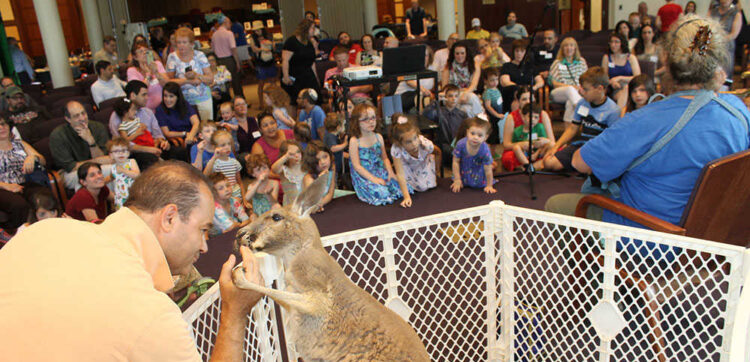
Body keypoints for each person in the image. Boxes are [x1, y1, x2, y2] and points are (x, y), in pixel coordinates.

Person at [0, 160, 265, 360]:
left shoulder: (45, 230)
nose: (205, 246)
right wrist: (235, 312)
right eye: (202, 230)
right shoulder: (150, 313)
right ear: (170, 217)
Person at [548, 15, 750, 234]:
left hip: (654, 236)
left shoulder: (646, 118)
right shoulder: (737, 109)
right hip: (715, 234)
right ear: (717, 62)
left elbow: (580, 163)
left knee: (557, 205)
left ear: (666, 61)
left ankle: (601, 269)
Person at [543, 66, 621, 172]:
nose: (581, 92)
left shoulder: (613, 110)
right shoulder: (582, 103)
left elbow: (613, 141)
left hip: (598, 149)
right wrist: (556, 146)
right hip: (581, 145)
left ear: (600, 89)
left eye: (585, 89)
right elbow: (572, 128)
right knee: (549, 163)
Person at [110, 80, 183, 165]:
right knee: (150, 159)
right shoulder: (117, 116)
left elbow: (157, 134)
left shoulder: (147, 112)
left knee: (178, 152)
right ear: (133, 95)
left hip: (152, 145)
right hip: (134, 152)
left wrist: (162, 141)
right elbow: (121, 143)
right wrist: (148, 149)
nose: (147, 98)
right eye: (144, 95)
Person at [348, 104, 408, 205]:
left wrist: (390, 172)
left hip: (379, 169)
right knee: (382, 193)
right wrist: (374, 179)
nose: (371, 122)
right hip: (364, 174)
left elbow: (384, 158)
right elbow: (357, 166)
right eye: (366, 119)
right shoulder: (354, 141)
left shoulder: (378, 137)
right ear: (356, 122)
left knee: (400, 186)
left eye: (373, 118)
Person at [51, 101, 114, 189]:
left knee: (118, 168)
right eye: (76, 116)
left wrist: (91, 142)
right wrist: (98, 161)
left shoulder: (98, 127)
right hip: (69, 173)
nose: (82, 118)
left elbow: (104, 157)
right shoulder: (58, 135)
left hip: (97, 167)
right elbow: (71, 167)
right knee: (109, 171)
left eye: (83, 113)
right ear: (68, 119)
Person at [0, 116, 47, 234]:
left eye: (3, 124)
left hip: (24, 183)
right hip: (2, 187)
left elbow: (43, 161)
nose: (1, 128)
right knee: (18, 205)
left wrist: (33, 157)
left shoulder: (20, 144)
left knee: (43, 197)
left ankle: (47, 230)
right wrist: (7, 186)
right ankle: (16, 235)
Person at [166, 27, 214, 121]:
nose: (181, 45)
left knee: (207, 128)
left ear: (191, 44)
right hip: (183, 102)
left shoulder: (199, 55)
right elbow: (169, 83)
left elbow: (210, 79)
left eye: (184, 42)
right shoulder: (172, 57)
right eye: (179, 42)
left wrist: (196, 75)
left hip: (203, 99)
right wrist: (187, 81)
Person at [390, 115, 436, 197]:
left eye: (415, 138)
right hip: (407, 167)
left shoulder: (426, 145)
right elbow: (400, 174)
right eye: (408, 142)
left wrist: (437, 170)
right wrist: (406, 197)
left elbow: (438, 152)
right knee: (399, 188)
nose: (414, 144)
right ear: (400, 143)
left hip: (423, 165)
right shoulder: (396, 148)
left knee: (423, 187)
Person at [501, 103, 554, 171]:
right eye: (530, 116)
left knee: (551, 145)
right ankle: (527, 165)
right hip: (525, 153)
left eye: (536, 117)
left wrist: (536, 153)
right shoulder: (517, 131)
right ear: (523, 117)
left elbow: (544, 143)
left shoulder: (540, 127)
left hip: (538, 152)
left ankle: (534, 166)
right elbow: (514, 145)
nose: (533, 120)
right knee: (516, 147)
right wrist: (522, 145)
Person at [451, 117, 496, 194]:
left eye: (480, 135)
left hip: (479, 176)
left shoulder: (485, 149)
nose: (475, 137)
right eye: (472, 133)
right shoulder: (461, 144)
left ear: (485, 137)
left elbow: (488, 169)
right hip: (463, 174)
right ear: (467, 132)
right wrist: (457, 179)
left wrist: (489, 185)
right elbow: (455, 161)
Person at [548, 37, 588, 123]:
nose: (568, 48)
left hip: (578, 92)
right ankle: (582, 111)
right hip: (559, 92)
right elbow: (554, 83)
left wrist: (579, 88)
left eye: (571, 45)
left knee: (570, 103)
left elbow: (587, 80)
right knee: (570, 89)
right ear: (562, 49)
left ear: (575, 48)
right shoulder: (557, 63)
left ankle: (569, 131)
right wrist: (572, 87)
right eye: (565, 46)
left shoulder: (581, 62)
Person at [500, 39, 545, 112]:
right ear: (513, 52)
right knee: (520, 99)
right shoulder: (507, 66)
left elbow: (540, 81)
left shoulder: (530, 66)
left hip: (529, 93)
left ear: (526, 53)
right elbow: (505, 82)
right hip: (514, 94)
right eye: (517, 51)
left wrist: (534, 87)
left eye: (522, 51)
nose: (519, 54)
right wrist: (520, 89)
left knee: (528, 98)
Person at [282, 19, 320, 104]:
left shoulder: (309, 43)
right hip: (295, 75)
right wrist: (286, 76)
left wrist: (316, 77)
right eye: (312, 28)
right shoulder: (291, 42)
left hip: (308, 74)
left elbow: (312, 62)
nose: (314, 30)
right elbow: (285, 60)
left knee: (314, 98)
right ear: (305, 29)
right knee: (295, 101)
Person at [442, 42, 483, 118]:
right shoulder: (447, 66)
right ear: (453, 54)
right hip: (452, 95)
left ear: (466, 53)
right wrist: (456, 95)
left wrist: (465, 94)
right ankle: (481, 119)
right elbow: (445, 87)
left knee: (467, 109)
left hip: (468, 92)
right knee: (473, 98)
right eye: (457, 53)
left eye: (462, 53)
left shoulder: (475, 65)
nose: (460, 56)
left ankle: (472, 126)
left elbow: (474, 85)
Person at [602, 33, 640, 108]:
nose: (613, 45)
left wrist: (620, 78)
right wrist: (612, 81)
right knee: (622, 94)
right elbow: (603, 78)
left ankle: (619, 115)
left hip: (631, 87)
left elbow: (638, 77)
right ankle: (621, 116)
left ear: (622, 43)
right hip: (615, 88)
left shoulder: (631, 57)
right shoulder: (606, 57)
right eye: (611, 42)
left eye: (616, 42)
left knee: (626, 88)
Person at [127, 41, 169, 111]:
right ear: (135, 57)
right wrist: (148, 74)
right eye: (140, 52)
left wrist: (156, 72)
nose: (144, 53)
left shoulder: (157, 64)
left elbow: (167, 85)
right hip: (145, 109)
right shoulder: (132, 70)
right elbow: (138, 91)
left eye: (146, 51)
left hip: (163, 106)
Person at [709, 0, 742, 87]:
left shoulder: (736, 14)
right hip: (713, 47)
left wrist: (718, 40)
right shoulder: (712, 11)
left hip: (726, 48)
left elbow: (734, 34)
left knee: (724, 77)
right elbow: (705, 28)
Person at [205, 129, 244, 200]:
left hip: (236, 195)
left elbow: (240, 182)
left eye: (229, 144)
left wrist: (244, 199)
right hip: (222, 196)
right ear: (214, 147)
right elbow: (205, 175)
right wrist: (214, 157)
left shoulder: (235, 162)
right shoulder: (214, 163)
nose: (227, 147)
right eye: (223, 145)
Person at [211, 15, 244, 99]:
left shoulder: (214, 34)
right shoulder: (229, 33)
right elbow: (233, 49)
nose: (231, 24)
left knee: (223, 83)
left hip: (219, 61)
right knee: (236, 82)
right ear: (225, 22)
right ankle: (240, 100)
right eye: (229, 22)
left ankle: (226, 100)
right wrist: (237, 62)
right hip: (229, 60)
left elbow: (213, 49)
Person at [208, 172, 251, 236]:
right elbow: (230, 227)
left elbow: (247, 220)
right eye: (221, 188)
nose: (226, 189)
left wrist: (237, 225)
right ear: (213, 193)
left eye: (228, 185)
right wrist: (238, 225)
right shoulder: (215, 208)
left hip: (234, 231)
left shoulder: (234, 201)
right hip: (217, 237)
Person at [395, 45, 436, 112]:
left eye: (426, 55)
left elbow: (433, 87)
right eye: (421, 55)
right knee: (422, 98)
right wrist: (423, 89)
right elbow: (409, 81)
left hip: (422, 98)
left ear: (429, 57)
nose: (423, 58)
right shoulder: (410, 66)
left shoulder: (432, 68)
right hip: (404, 96)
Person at [104, 137, 140, 210]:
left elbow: (137, 175)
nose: (120, 153)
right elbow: (111, 177)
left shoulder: (131, 162)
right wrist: (102, 182)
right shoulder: (113, 167)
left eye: (123, 150)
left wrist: (124, 171)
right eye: (116, 151)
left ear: (128, 153)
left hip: (133, 195)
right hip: (120, 198)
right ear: (111, 155)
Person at [301, 140, 336, 211]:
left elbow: (330, 193)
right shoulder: (308, 178)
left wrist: (321, 203)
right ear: (311, 162)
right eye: (317, 160)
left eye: (325, 157)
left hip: (322, 203)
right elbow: (310, 202)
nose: (323, 162)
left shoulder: (332, 168)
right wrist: (319, 182)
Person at [248, 23, 277, 107]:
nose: (257, 32)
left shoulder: (269, 35)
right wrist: (263, 48)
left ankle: (275, 101)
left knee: (273, 82)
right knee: (261, 83)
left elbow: (274, 47)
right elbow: (254, 49)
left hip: (270, 61)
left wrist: (269, 45)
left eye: (258, 30)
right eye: (255, 30)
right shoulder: (252, 38)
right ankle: (261, 104)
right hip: (260, 62)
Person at [244, 153, 279, 217]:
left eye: (265, 168)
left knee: (277, 207)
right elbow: (246, 198)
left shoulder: (274, 183)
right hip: (258, 214)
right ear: (253, 174)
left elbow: (274, 202)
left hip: (271, 212)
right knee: (252, 217)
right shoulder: (252, 186)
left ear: (269, 169)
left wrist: (269, 194)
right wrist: (259, 181)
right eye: (258, 170)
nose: (263, 171)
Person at [272, 140, 305, 205]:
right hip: (291, 205)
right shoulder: (284, 169)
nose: (296, 155)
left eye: (298, 152)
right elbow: (274, 169)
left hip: (305, 203)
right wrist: (286, 157)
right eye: (292, 154)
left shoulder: (305, 166)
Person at [323, 112, 348, 183]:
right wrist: (345, 144)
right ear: (338, 127)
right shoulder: (330, 136)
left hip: (336, 166)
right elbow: (333, 148)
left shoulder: (331, 136)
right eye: (343, 125)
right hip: (333, 167)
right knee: (333, 181)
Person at [482, 68, 504, 143]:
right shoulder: (488, 92)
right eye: (492, 80)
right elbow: (488, 106)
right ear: (485, 81)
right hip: (492, 116)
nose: (495, 82)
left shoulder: (496, 89)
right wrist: (497, 115)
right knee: (493, 133)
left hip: (498, 114)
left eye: (496, 79)